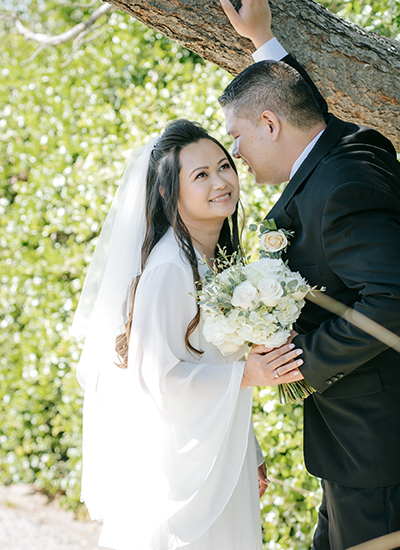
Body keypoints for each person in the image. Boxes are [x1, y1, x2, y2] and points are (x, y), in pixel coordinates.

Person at [72, 119, 305, 549]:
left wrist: (247, 450)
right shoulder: (168, 269)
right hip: (177, 474)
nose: (221, 181)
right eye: (200, 175)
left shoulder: (211, 262)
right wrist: (249, 375)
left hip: (218, 452)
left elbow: (214, 361)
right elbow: (156, 379)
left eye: (223, 167)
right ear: (167, 192)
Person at [219, 0, 400, 548]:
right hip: (359, 443)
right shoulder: (351, 146)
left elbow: (393, 298)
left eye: (238, 136)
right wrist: (263, 41)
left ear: (269, 124)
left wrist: (298, 363)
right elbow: (302, 104)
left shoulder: (339, 185)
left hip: (374, 447)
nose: (236, 153)